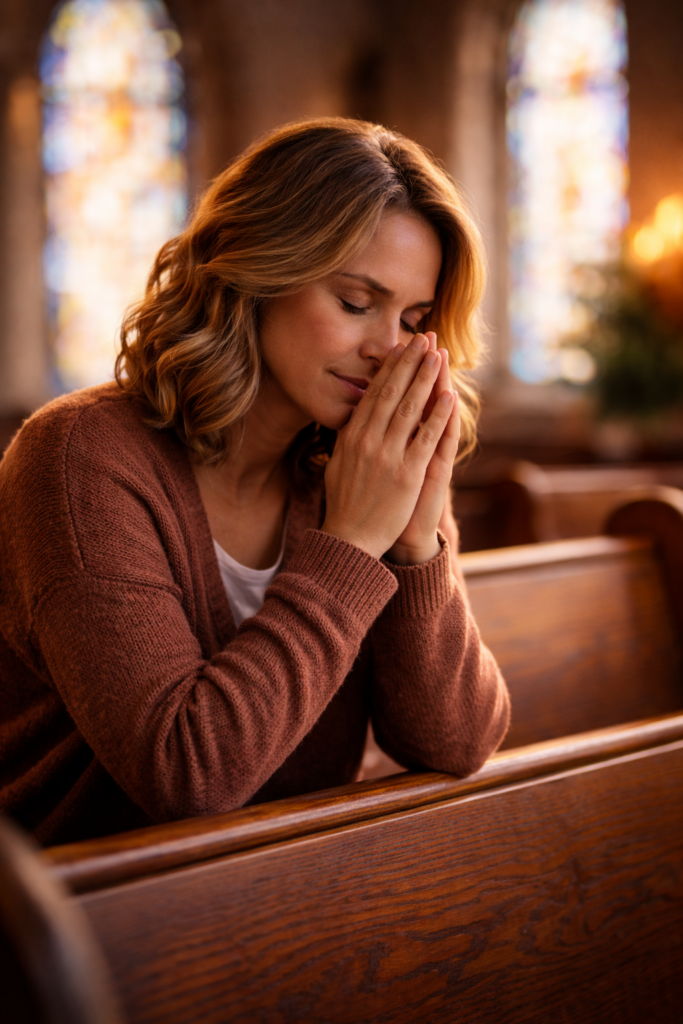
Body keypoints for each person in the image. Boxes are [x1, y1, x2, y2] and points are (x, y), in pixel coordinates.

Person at [0, 118, 509, 846]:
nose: (386, 349)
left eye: (413, 319)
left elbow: (456, 741)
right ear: (258, 272)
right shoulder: (77, 457)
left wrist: (416, 544)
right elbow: (187, 774)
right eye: (355, 303)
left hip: (288, 894)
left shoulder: (358, 460)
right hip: (81, 916)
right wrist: (352, 541)